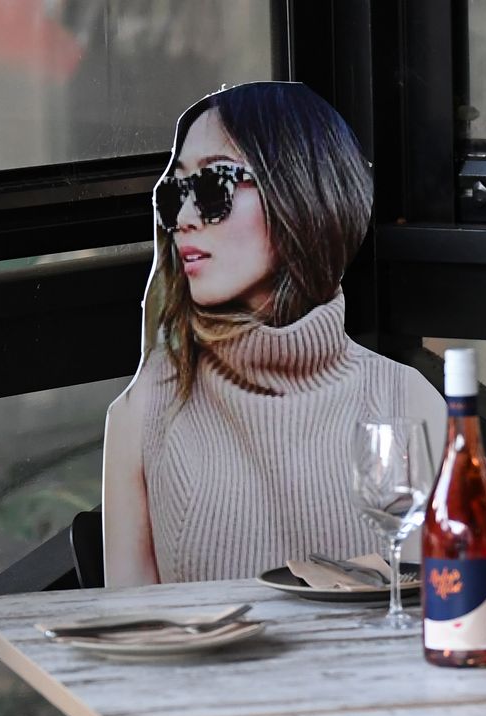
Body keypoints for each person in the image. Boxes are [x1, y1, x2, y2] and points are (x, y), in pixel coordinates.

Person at [101, 81, 445, 587]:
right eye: (176, 191)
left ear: (302, 195)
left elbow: (454, 613)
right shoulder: (146, 411)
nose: (183, 218)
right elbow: (132, 638)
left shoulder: (407, 402)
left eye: (213, 186)